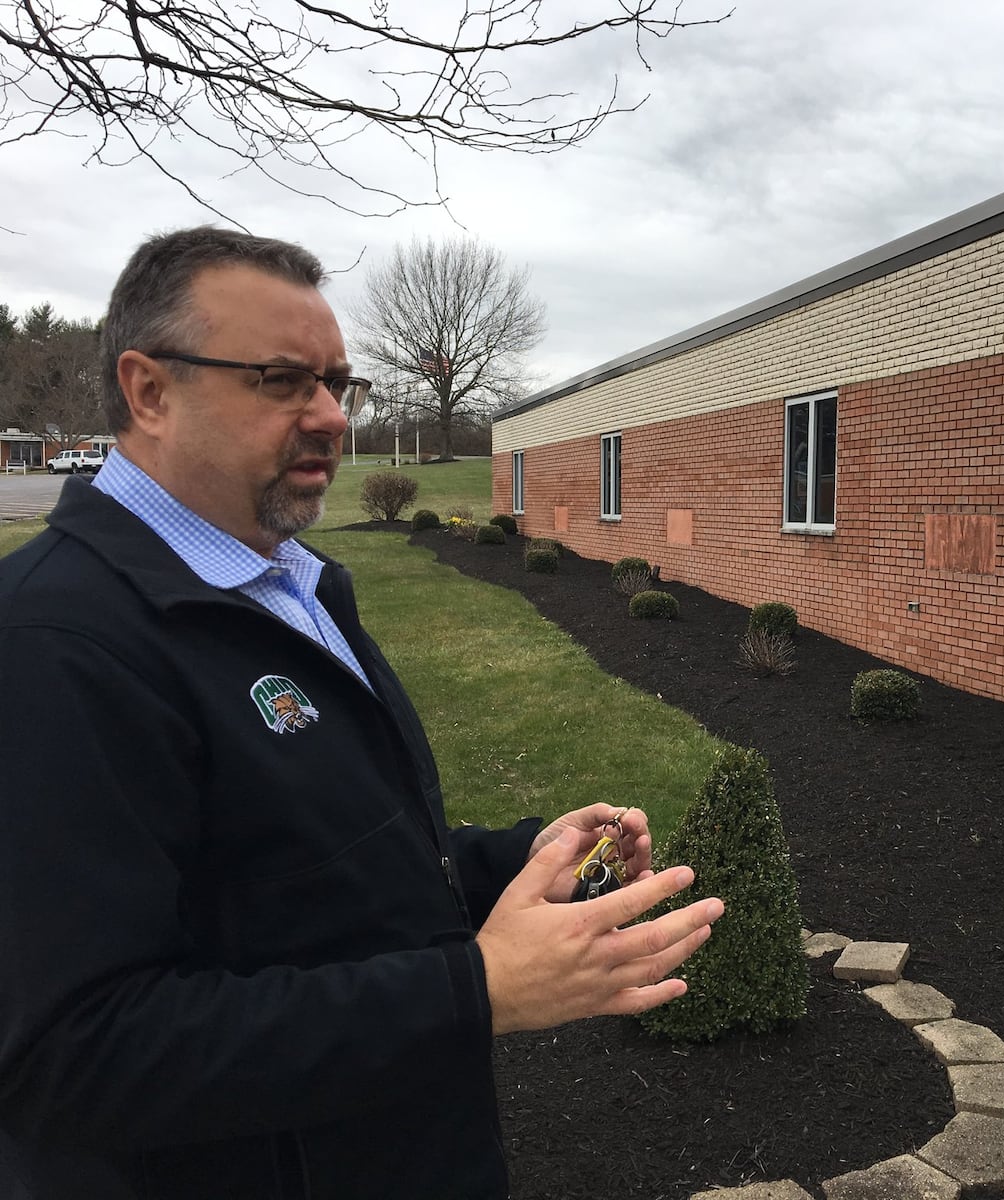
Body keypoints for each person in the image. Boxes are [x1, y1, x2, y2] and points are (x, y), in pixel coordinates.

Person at [0, 227, 724, 1200]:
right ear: (149, 391)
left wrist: (513, 862)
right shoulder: (52, 642)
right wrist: (476, 992)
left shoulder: (288, 586)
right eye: (283, 379)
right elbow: (72, 1057)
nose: (333, 418)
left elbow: (310, 866)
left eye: (340, 383)